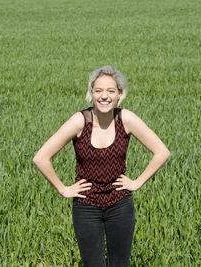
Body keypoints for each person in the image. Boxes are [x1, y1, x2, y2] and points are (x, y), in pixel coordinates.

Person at [33, 65, 170, 267]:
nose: (104, 96)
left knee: (119, 264)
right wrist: (63, 189)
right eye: (98, 91)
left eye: (110, 91)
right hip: (86, 207)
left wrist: (137, 183)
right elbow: (41, 157)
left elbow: (162, 152)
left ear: (119, 94)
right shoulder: (80, 121)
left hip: (120, 205)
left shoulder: (126, 119)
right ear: (91, 93)